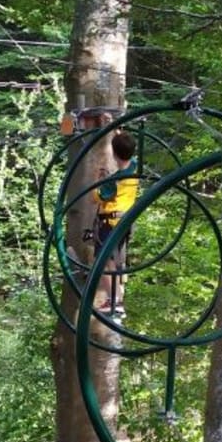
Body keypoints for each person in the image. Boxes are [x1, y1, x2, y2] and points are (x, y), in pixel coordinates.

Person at [93, 130, 139, 316]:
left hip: (110, 224)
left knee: (103, 263)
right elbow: (127, 149)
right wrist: (116, 131)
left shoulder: (114, 181)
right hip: (124, 223)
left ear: (113, 152)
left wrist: (99, 181)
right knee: (114, 262)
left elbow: (94, 198)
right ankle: (117, 299)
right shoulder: (135, 167)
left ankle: (115, 301)